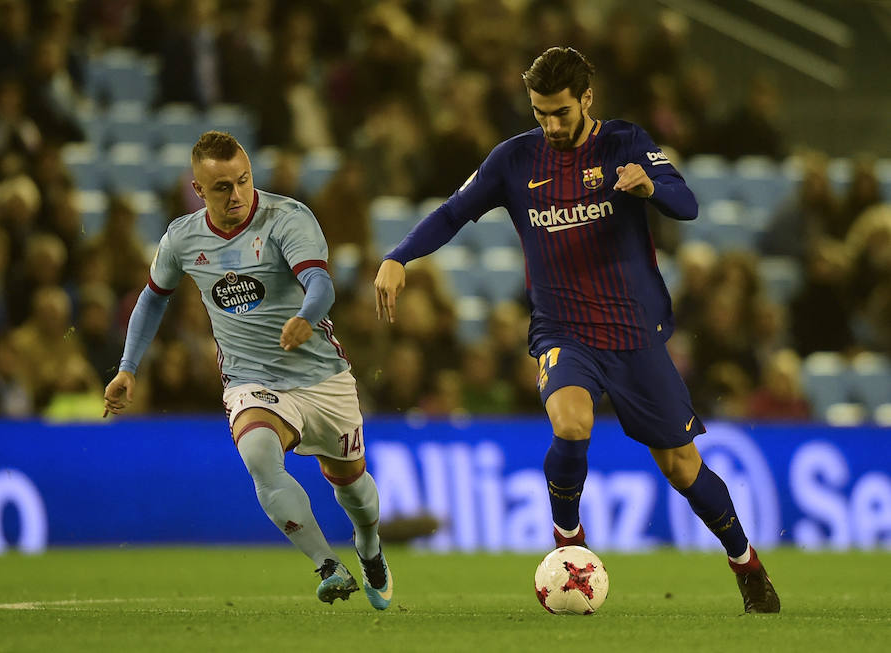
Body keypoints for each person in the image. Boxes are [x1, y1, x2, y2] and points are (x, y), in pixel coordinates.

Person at [374, 47, 779, 614]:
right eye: (540, 112)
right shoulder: (513, 161)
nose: (550, 124)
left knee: (682, 467)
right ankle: (569, 541)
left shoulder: (626, 143)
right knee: (571, 423)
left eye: (560, 112)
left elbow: (686, 204)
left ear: (587, 98)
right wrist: (399, 256)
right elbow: (452, 212)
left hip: (634, 332)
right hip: (563, 329)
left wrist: (650, 189)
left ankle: (745, 563)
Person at [104, 131, 392, 610]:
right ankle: (327, 565)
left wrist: (306, 316)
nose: (236, 195)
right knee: (259, 454)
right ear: (198, 190)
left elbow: (320, 282)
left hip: (322, 377)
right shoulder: (182, 237)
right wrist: (128, 367)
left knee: (355, 489)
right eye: (221, 188)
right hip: (251, 380)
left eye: (243, 180)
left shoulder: (287, 218)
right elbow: (153, 297)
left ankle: (369, 548)